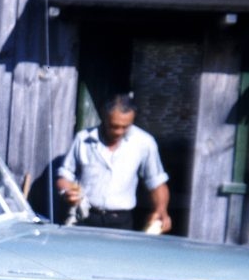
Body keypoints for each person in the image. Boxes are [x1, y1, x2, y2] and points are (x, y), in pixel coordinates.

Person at [55, 94, 172, 232]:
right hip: (85, 217)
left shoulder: (144, 143)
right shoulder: (83, 139)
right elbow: (64, 175)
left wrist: (161, 210)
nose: (119, 132)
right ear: (104, 117)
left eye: (125, 127)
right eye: (114, 126)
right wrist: (67, 191)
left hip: (120, 221)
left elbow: (156, 182)